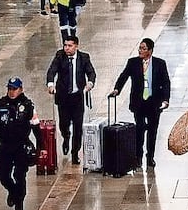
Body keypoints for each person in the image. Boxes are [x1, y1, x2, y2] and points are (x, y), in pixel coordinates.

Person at [110, 38, 171, 170]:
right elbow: (124, 76)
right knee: (140, 128)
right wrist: (117, 89)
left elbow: (166, 82)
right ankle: (138, 157)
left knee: (153, 131)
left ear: (150, 50)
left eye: (143, 48)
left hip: (154, 102)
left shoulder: (160, 64)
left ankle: (150, 157)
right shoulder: (133, 62)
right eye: (140, 48)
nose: (140, 51)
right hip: (139, 102)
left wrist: (165, 99)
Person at [0, 77, 40, 210]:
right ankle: (13, 191)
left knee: (20, 176)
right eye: (9, 88)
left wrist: (41, 146)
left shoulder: (28, 105)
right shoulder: (0, 104)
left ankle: (19, 206)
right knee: (1, 173)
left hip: (21, 146)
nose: (11, 92)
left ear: (20, 89)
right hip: (4, 146)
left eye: (14, 89)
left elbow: (36, 126)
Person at [45, 36, 97, 165]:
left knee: (78, 127)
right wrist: (51, 84)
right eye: (65, 45)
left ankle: (75, 153)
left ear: (76, 46)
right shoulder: (59, 56)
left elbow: (91, 73)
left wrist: (89, 83)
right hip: (63, 98)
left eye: (70, 46)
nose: (67, 48)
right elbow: (52, 71)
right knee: (64, 124)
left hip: (77, 97)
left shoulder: (84, 57)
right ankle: (66, 136)